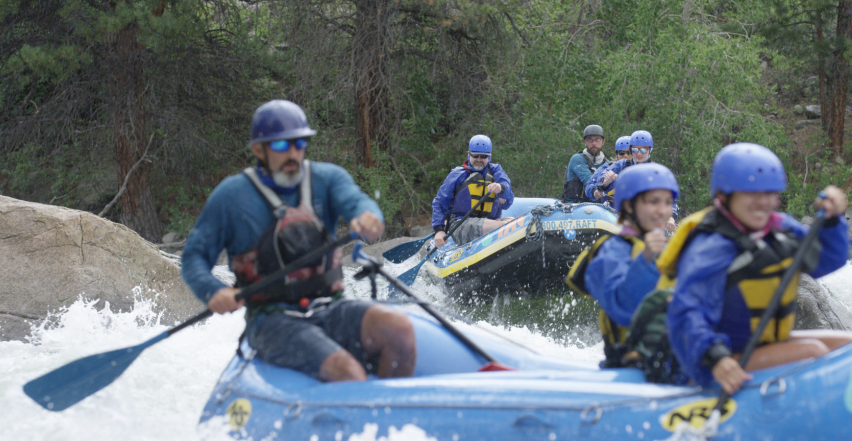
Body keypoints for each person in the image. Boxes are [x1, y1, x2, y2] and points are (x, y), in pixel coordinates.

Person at [181, 100, 416, 382]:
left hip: (330, 306)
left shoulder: (327, 179)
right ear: (259, 150)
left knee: (400, 329)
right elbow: (194, 257)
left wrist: (368, 217)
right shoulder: (231, 196)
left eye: (299, 143)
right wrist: (213, 291)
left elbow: (358, 203)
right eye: (281, 146)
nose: (293, 152)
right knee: (347, 371)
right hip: (271, 319)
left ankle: (390, 414)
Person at [663, 142, 851, 394]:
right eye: (752, 193)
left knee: (846, 344)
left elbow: (826, 260)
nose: (763, 202)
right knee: (812, 353)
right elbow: (686, 312)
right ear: (724, 195)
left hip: (759, 345)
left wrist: (832, 223)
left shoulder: (780, 228)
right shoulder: (711, 247)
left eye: (769, 193)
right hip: (713, 360)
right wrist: (715, 357)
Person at [565, 163, 679, 367]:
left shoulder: (671, 250)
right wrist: (645, 260)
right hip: (631, 364)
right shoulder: (609, 251)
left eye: (668, 202)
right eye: (653, 202)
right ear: (628, 206)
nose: (662, 211)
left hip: (674, 362)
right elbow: (622, 308)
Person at [432, 134, 515, 248]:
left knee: (512, 222)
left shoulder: (496, 171)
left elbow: (507, 201)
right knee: (505, 226)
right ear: (469, 154)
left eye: (483, 156)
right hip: (461, 225)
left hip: (489, 222)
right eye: (476, 156)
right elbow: (439, 203)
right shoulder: (458, 174)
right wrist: (439, 230)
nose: (479, 160)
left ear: (489, 157)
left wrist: (501, 189)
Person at [585, 130, 677, 231]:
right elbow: (599, 181)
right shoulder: (619, 165)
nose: (638, 154)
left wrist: (671, 218)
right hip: (614, 217)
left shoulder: (657, 172)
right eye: (634, 150)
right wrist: (605, 182)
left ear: (650, 150)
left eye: (643, 150)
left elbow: (670, 199)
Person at [562, 125, 609, 203]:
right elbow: (590, 180)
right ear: (585, 142)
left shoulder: (607, 163)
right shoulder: (577, 159)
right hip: (573, 208)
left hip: (597, 209)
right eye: (590, 140)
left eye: (597, 139)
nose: (594, 143)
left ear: (603, 141)